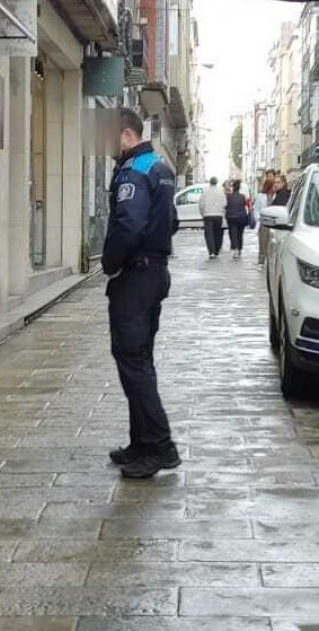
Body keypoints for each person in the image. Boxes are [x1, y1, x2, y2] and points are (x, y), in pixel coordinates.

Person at [102, 108, 181, 479]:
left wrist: (110, 262)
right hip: (155, 273)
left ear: (127, 134)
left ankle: (161, 447)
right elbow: (173, 222)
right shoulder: (160, 167)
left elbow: (129, 224)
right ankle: (141, 442)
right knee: (140, 359)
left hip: (136, 276)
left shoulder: (133, 171)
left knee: (132, 360)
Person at [199, 177, 227, 259]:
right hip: (218, 215)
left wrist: (202, 213)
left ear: (210, 182)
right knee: (218, 234)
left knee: (209, 234)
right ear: (217, 182)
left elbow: (201, 204)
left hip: (207, 215)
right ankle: (216, 251)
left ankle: (211, 251)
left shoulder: (205, 192)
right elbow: (224, 203)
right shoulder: (220, 192)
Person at [254, 175, 276, 265]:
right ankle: (261, 261)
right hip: (264, 222)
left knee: (271, 243)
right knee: (262, 243)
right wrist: (259, 218)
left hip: (274, 223)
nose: (274, 187)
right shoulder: (261, 196)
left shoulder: (277, 196)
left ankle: (270, 262)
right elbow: (256, 208)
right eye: (273, 185)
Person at [225, 180, 249, 259]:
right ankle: (239, 250)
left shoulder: (229, 196)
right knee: (240, 234)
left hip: (231, 217)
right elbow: (245, 205)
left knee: (233, 233)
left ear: (233, 188)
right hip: (241, 217)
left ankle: (235, 249)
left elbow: (226, 206)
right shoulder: (242, 196)